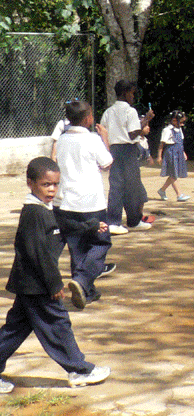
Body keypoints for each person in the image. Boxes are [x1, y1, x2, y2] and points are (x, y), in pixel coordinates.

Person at [0, 157, 110, 392]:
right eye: (46, 184)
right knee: (58, 324)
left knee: (15, 329)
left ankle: (79, 369)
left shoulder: (44, 209)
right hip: (37, 284)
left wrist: (90, 226)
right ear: (31, 183)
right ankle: (79, 370)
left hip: (31, 284)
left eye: (55, 184)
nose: (52, 190)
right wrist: (54, 283)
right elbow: (37, 252)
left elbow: (63, 225)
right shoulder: (33, 213)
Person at [52, 101, 114, 309]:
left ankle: (87, 291)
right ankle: (83, 281)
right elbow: (106, 163)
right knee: (100, 242)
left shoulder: (61, 139)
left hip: (65, 202)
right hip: (91, 202)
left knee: (77, 246)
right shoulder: (93, 139)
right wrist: (105, 138)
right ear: (87, 118)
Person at [100, 80, 153, 234]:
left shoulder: (108, 112)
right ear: (125, 93)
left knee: (116, 185)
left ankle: (114, 221)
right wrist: (146, 119)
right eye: (131, 93)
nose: (133, 96)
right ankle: (132, 220)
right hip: (128, 150)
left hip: (114, 149)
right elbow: (132, 133)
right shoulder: (130, 111)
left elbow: (103, 130)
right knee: (132, 186)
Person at [155, 111, 189, 202]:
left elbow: (180, 142)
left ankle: (162, 190)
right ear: (174, 120)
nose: (182, 124)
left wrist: (183, 152)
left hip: (178, 152)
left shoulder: (179, 129)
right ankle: (179, 195)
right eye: (181, 121)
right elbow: (161, 144)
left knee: (174, 173)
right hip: (171, 153)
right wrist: (159, 156)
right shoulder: (167, 130)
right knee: (174, 174)